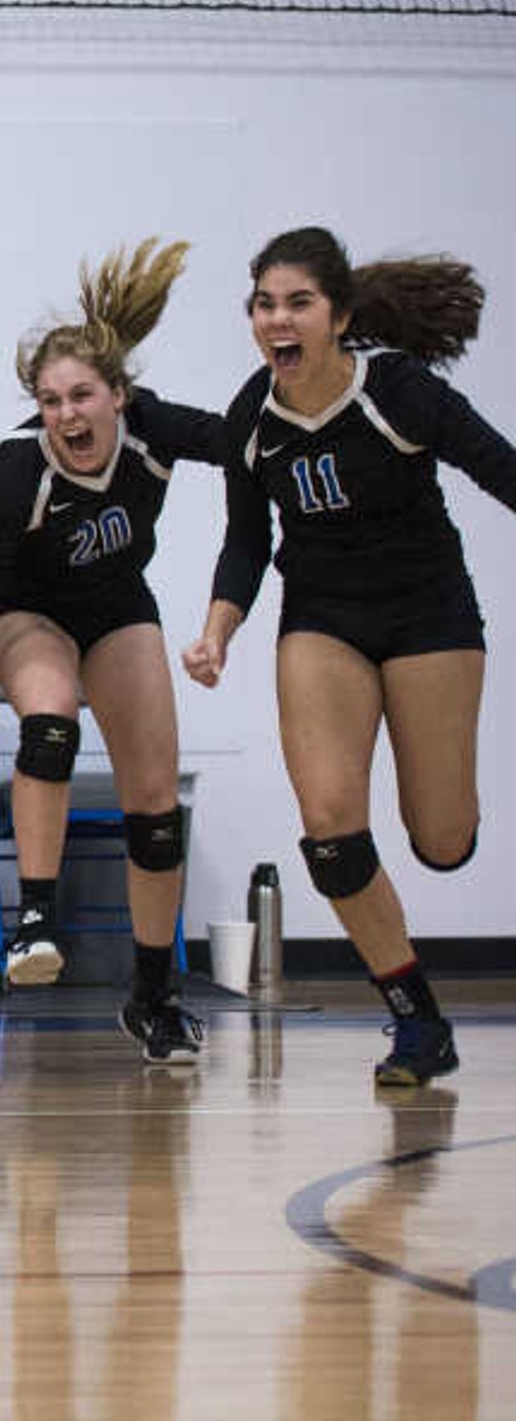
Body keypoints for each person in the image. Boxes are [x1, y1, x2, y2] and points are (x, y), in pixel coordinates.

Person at [188, 231, 510, 1088]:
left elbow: (500, 469)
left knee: (441, 840)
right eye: (264, 304)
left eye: (297, 303)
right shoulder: (250, 420)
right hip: (323, 618)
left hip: (428, 612)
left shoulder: (397, 391)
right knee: (330, 830)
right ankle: (417, 1021)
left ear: (339, 316)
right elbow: (248, 543)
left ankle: (448, 835)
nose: (277, 320)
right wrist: (218, 630)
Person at [0, 242, 215, 1059]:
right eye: (50, 400)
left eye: (82, 396)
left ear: (118, 397)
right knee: (51, 718)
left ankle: (154, 993)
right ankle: (35, 917)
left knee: (156, 806)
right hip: (24, 613)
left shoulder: (153, 432)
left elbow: (252, 442)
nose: (67, 416)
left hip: (117, 607)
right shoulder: (16, 469)